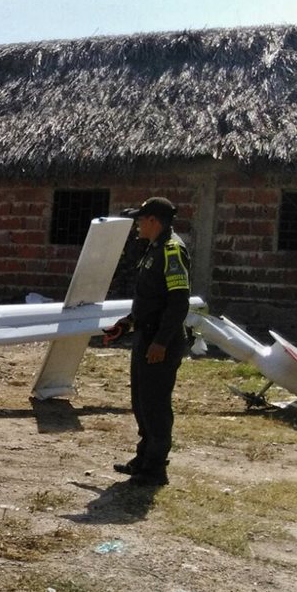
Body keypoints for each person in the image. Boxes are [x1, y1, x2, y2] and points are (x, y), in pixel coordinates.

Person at [103, 196, 191, 488]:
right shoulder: (152, 249)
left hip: (160, 340)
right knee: (141, 401)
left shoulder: (171, 251)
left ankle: (155, 469)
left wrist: (161, 343)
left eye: (141, 219)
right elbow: (149, 300)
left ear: (153, 221)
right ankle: (143, 459)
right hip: (146, 335)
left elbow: (178, 303)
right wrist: (126, 324)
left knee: (155, 404)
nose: (137, 224)